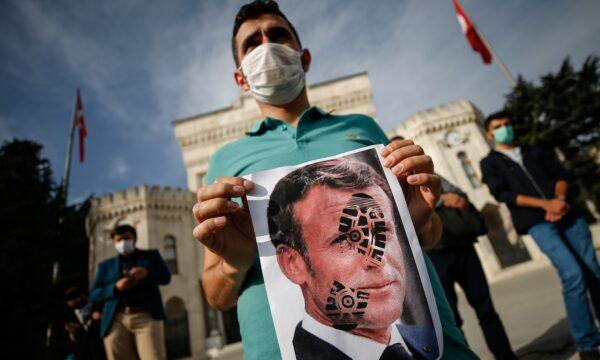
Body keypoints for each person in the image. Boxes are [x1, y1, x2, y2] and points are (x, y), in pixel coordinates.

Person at [192, 1, 477, 359]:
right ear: (240, 78)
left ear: (304, 57)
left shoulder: (362, 128)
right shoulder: (224, 161)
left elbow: (427, 236)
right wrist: (234, 261)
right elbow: (217, 296)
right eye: (252, 43)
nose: (266, 46)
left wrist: (420, 217)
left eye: (278, 35)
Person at [269, 157, 437, 360]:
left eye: (381, 232)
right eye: (345, 240)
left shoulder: (430, 340)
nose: (377, 258)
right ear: (293, 264)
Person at [480, 110, 600, 360]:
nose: (506, 128)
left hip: (567, 213)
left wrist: (558, 200)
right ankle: (587, 344)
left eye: (507, 124)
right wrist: (546, 206)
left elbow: (561, 175)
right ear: (489, 134)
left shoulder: (532, 150)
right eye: (499, 126)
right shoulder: (490, 163)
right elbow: (503, 194)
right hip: (537, 222)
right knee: (573, 274)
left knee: (593, 271)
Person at [426, 178, 516, 360]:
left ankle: (506, 356)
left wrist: (455, 198)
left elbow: (458, 194)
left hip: (463, 245)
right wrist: (443, 200)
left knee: (486, 308)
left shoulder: (430, 172)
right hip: (435, 253)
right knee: (451, 318)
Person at [90, 224, 171, 360]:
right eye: (119, 239)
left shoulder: (150, 256)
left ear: (135, 238)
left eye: (126, 238)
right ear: (114, 242)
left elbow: (165, 277)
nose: (123, 242)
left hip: (146, 316)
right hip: (116, 319)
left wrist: (147, 274)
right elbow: (95, 294)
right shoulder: (105, 266)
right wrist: (115, 287)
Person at [63, 286, 106, 360]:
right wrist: (73, 333)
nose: (70, 303)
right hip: (86, 352)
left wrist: (101, 316)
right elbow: (74, 340)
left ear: (80, 297)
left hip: (101, 345)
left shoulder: (96, 305)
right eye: (68, 301)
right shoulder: (70, 316)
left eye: (72, 299)